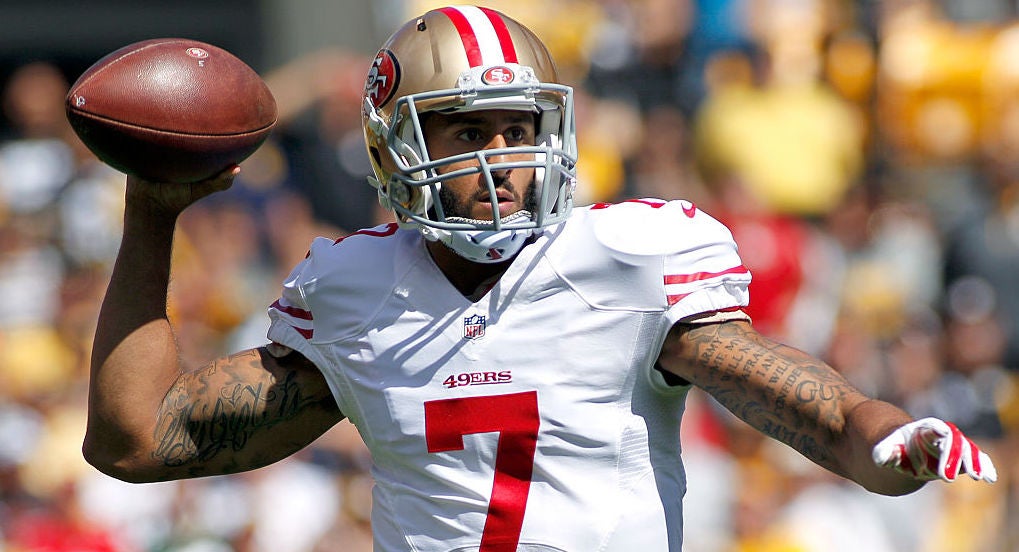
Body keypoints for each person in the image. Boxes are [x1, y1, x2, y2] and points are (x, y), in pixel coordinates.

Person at [84, 6, 997, 551]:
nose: (498, 161)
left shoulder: (627, 259)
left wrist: (884, 441)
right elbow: (136, 443)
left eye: (517, 129)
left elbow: (800, 398)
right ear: (395, 145)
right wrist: (152, 215)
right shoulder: (357, 290)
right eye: (465, 132)